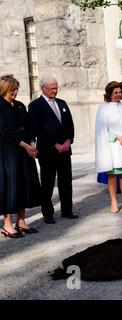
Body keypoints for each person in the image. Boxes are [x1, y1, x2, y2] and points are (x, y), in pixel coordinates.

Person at [28, 74, 76, 224]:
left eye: (56, 88)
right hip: (48, 151)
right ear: (43, 88)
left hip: (65, 150)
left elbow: (69, 124)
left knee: (66, 181)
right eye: (52, 89)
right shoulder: (35, 106)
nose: (55, 91)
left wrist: (68, 141)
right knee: (47, 183)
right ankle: (48, 213)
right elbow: (38, 129)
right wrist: (55, 145)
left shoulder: (62, 103)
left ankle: (67, 210)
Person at [0, 75, 40, 238]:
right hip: (7, 154)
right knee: (10, 187)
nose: (15, 92)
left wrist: (32, 143)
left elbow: (29, 127)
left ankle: (21, 221)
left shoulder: (20, 106)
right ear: (4, 89)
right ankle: (7, 224)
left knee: (24, 184)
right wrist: (25, 145)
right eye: (12, 90)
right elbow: (4, 132)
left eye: (17, 89)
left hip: (24, 152)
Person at [95, 81, 122, 213]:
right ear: (109, 94)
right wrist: (116, 137)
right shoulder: (103, 108)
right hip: (112, 147)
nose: (119, 94)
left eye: (120, 92)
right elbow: (101, 130)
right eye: (116, 93)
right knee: (113, 175)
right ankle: (114, 201)